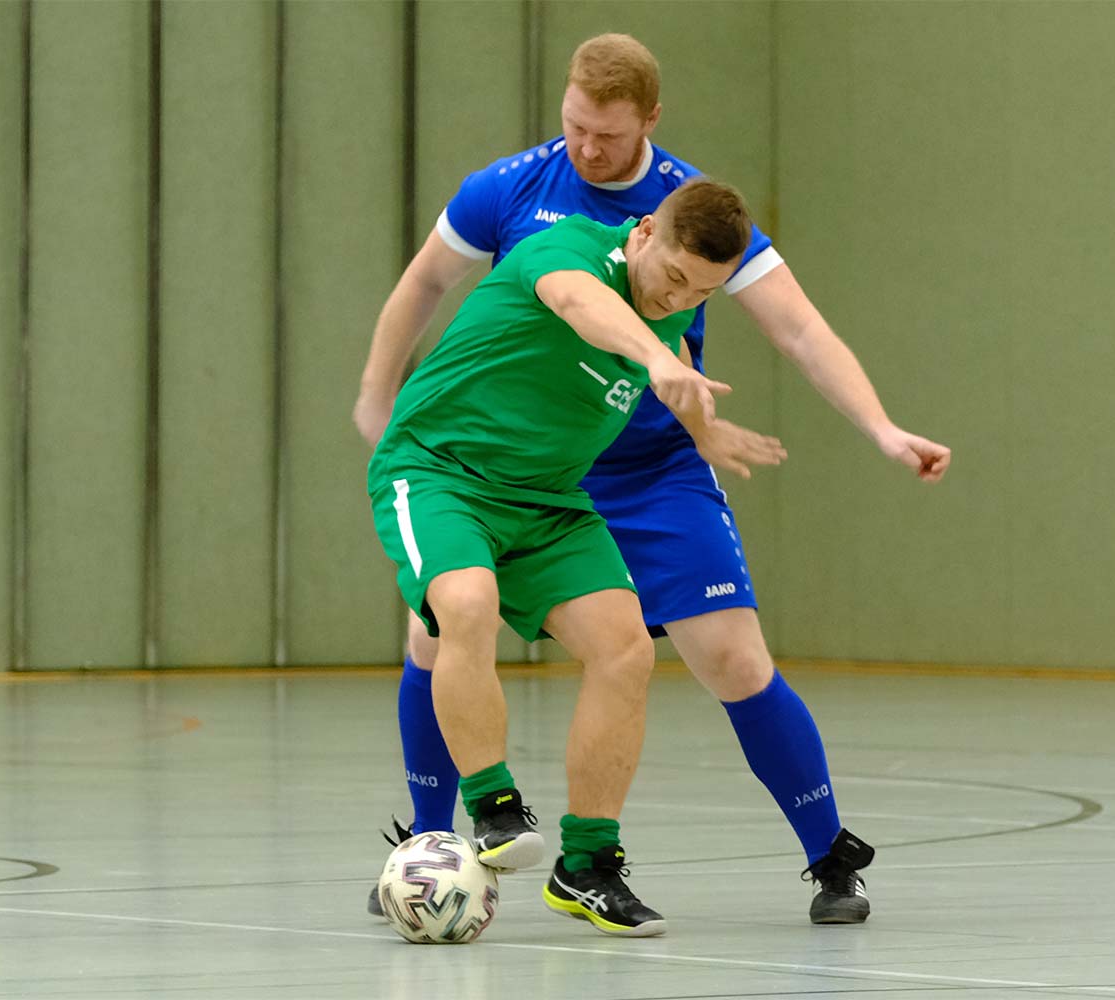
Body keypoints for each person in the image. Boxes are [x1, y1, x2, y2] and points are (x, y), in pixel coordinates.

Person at [357, 34, 951, 926]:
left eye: (608, 134)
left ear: (651, 121)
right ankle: (443, 839)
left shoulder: (696, 221)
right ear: (642, 236)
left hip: (615, 476)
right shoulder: (535, 211)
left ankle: (764, 856)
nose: (587, 147)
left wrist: (851, 427)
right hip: (469, 466)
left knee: (689, 654)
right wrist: (376, 393)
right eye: (575, 126)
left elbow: (795, 330)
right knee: (448, 618)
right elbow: (561, 299)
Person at [368, 178, 768, 938]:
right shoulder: (567, 250)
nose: (679, 297)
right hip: (439, 471)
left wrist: (705, 430)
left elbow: (678, 362)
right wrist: (655, 355)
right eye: (674, 276)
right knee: (467, 604)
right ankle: (492, 806)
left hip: (546, 499)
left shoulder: (672, 318)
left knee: (626, 649)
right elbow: (581, 303)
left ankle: (586, 865)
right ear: (644, 232)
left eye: (703, 291)